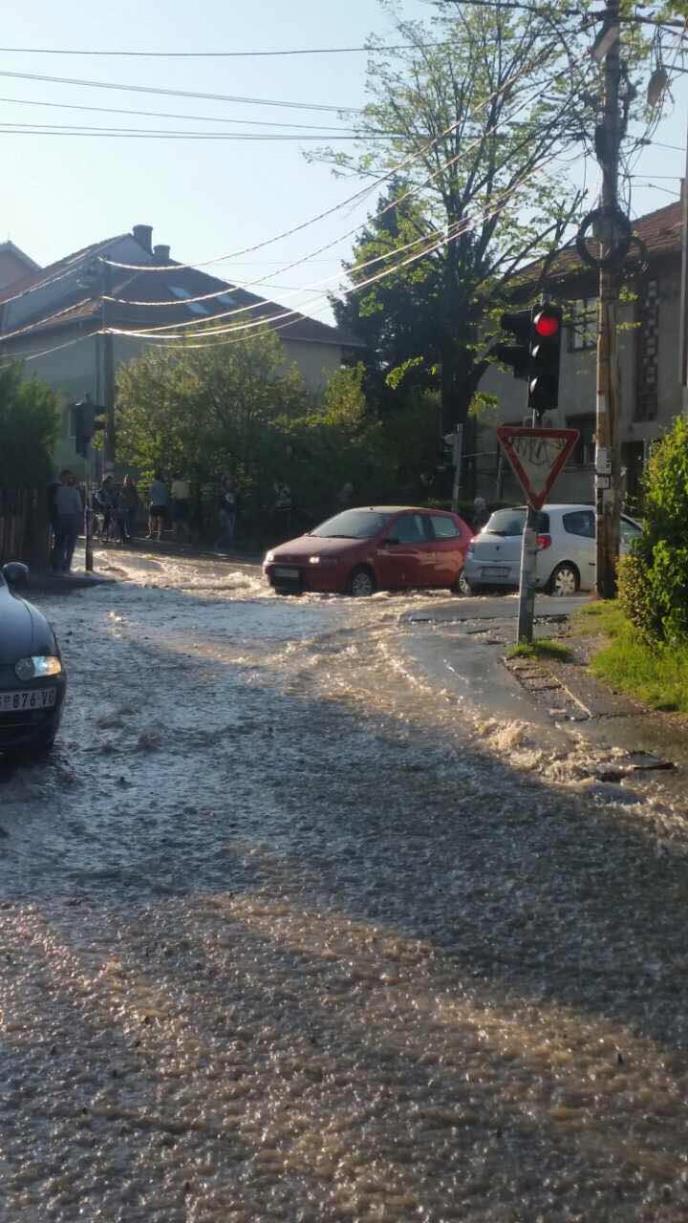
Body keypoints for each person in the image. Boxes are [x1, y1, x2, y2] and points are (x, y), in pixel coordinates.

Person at [51, 470, 83, 573]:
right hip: (72, 518)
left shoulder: (58, 491)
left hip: (61, 517)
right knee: (70, 544)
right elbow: (79, 508)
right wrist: (80, 522)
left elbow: (56, 504)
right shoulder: (75, 492)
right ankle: (67, 566)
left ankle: (57, 566)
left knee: (59, 542)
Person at [215, 477, 237, 554]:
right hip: (225, 512)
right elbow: (220, 502)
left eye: (230, 482)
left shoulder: (233, 491)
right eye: (228, 482)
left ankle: (219, 544)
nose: (229, 483)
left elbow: (234, 502)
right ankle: (229, 547)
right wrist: (220, 511)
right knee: (229, 530)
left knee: (230, 530)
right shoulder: (222, 491)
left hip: (232, 512)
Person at [117, 476, 139, 544]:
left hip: (133, 507)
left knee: (132, 521)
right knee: (127, 522)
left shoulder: (133, 488)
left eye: (129, 480)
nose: (128, 481)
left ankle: (131, 535)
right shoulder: (123, 489)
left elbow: (136, 497)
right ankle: (128, 535)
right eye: (127, 480)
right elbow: (121, 498)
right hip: (126, 507)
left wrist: (136, 504)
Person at [147, 472, 169, 541]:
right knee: (160, 520)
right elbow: (167, 495)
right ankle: (160, 535)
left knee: (152, 520)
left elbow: (150, 494)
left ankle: (151, 533)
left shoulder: (153, 485)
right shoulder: (164, 485)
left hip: (154, 504)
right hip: (162, 505)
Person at [170, 473, 191, 542]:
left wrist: (173, 504)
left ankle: (174, 536)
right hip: (185, 503)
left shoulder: (175, 484)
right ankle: (188, 534)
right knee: (184, 520)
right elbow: (188, 495)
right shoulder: (186, 484)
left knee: (175, 521)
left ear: (174, 478)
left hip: (177, 503)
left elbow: (174, 495)